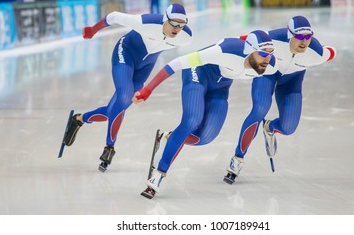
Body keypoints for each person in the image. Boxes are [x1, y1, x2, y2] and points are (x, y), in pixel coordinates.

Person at [133, 30, 279, 199]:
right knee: (192, 120)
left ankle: (169, 138)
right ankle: (158, 174)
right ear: (249, 50)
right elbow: (176, 63)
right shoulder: (224, 51)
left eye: (270, 54)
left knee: (205, 138)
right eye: (263, 54)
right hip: (198, 73)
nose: (267, 59)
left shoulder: (270, 65)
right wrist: (147, 89)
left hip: (220, 87)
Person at [61, 3, 193, 172]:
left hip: (146, 65)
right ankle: (110, 147)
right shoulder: (147, 22)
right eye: (174, 23)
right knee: (123, 96)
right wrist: (92, 30)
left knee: (115, 109)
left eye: (181, 24)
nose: (177, 28)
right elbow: (113, 16)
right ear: (165, 20)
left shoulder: (186, 36)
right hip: (125, 53)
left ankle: (79, 119)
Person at [224, 16, 336, 184]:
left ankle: (270, 127)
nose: (304, 41)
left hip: (292, 82)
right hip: (268, 74)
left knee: (289, 127)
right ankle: (237, 159)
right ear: (289, 34)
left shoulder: (316, 52)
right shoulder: (273, 40)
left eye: (308, 36)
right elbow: (244, 41)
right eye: (299, 36)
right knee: (260, 109)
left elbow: (331, 52)